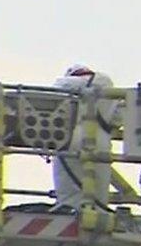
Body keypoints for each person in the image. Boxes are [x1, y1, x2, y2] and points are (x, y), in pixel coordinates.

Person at [50, 64, 118, 213]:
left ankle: (70, 211)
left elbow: (56, 90)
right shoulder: (106, 85)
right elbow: (118, 117)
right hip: (101, 141)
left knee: (69, 189)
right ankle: (96, 213)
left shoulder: (65, 84)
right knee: (98, 190)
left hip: (71, 138)